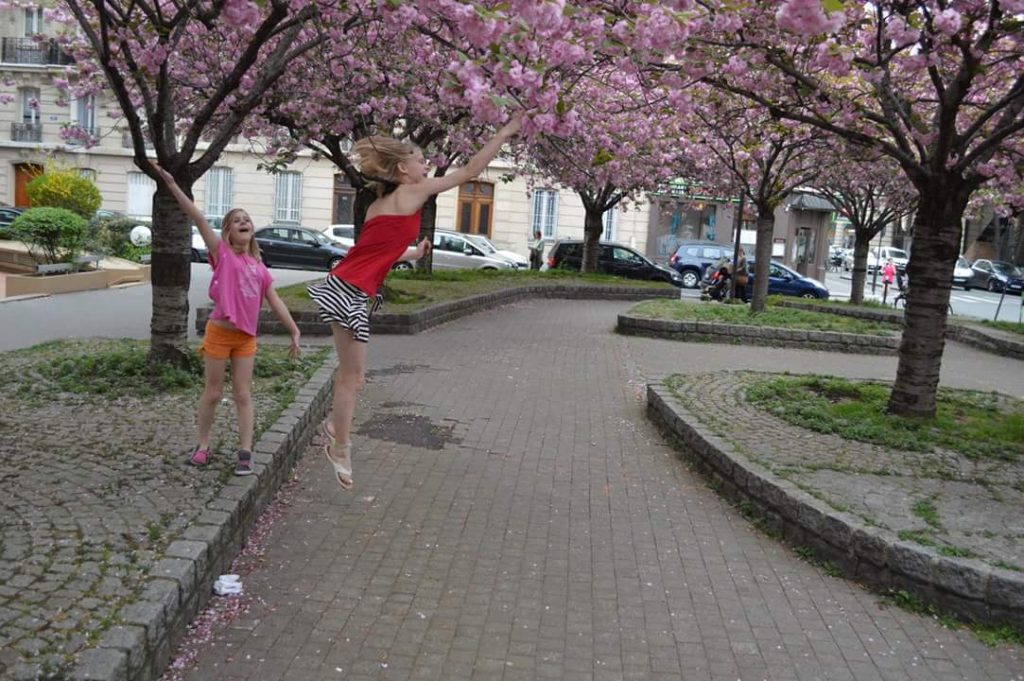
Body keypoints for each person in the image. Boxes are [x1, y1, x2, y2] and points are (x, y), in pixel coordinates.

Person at [309, 111, 524, 490]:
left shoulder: (379, 206)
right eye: (422, 162)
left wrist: (411, 253)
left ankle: (335, 429)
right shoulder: (415, 192)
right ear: (404, 170)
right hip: (351, 291)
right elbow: (470, 170)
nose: (428, 167)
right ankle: (338, 446)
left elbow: (373, 252)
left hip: (343, 286)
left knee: (350, 377)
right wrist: (504, 131)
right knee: (353, 379)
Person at [151, 162, 302, 476]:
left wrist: (294, 331)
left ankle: (245, 451)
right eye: (237, 220)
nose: (244, 222)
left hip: (245, 338)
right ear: (229, 232)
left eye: (246, 219)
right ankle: (203, 445)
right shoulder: (222, 254)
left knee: (243, 394)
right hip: (219, 334)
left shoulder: (259, 268)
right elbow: (197, 216)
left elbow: (275, 303)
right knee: (214, 392)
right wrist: (171, 183)